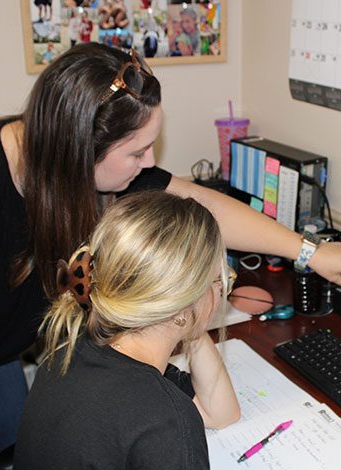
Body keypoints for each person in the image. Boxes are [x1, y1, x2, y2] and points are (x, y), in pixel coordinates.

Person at [0, 42, 341, 466]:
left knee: (11, 444)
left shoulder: (66, 158)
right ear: (78, 151)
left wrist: (310, 252)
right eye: (137, 152)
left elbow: (191, 203)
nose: (151, 163)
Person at [14, 191, 240, 468]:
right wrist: (189, 313)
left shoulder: (74, 349)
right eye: (220, 279)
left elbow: (222, 414)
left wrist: (189, 317)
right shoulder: (164, 420)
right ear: (182, 301)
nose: (223, 289)